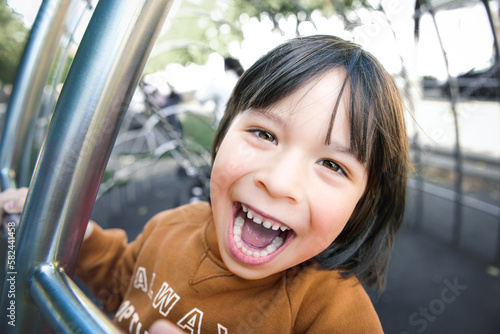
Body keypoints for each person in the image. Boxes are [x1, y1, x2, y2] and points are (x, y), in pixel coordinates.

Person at [0, 35, 408, 333]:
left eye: (333, 165)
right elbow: (121, 279)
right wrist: (75, 236)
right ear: (223, 131)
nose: (279, 182)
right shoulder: (173, 224)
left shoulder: (330, 313)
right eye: (264, 134)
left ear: (364, 203)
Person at [195, 56, 244, 127]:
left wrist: (207, 81)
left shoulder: (220, 82)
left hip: (224, 126)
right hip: (240, 125)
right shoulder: (241, 80)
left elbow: (200, 98)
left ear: (225, 66)